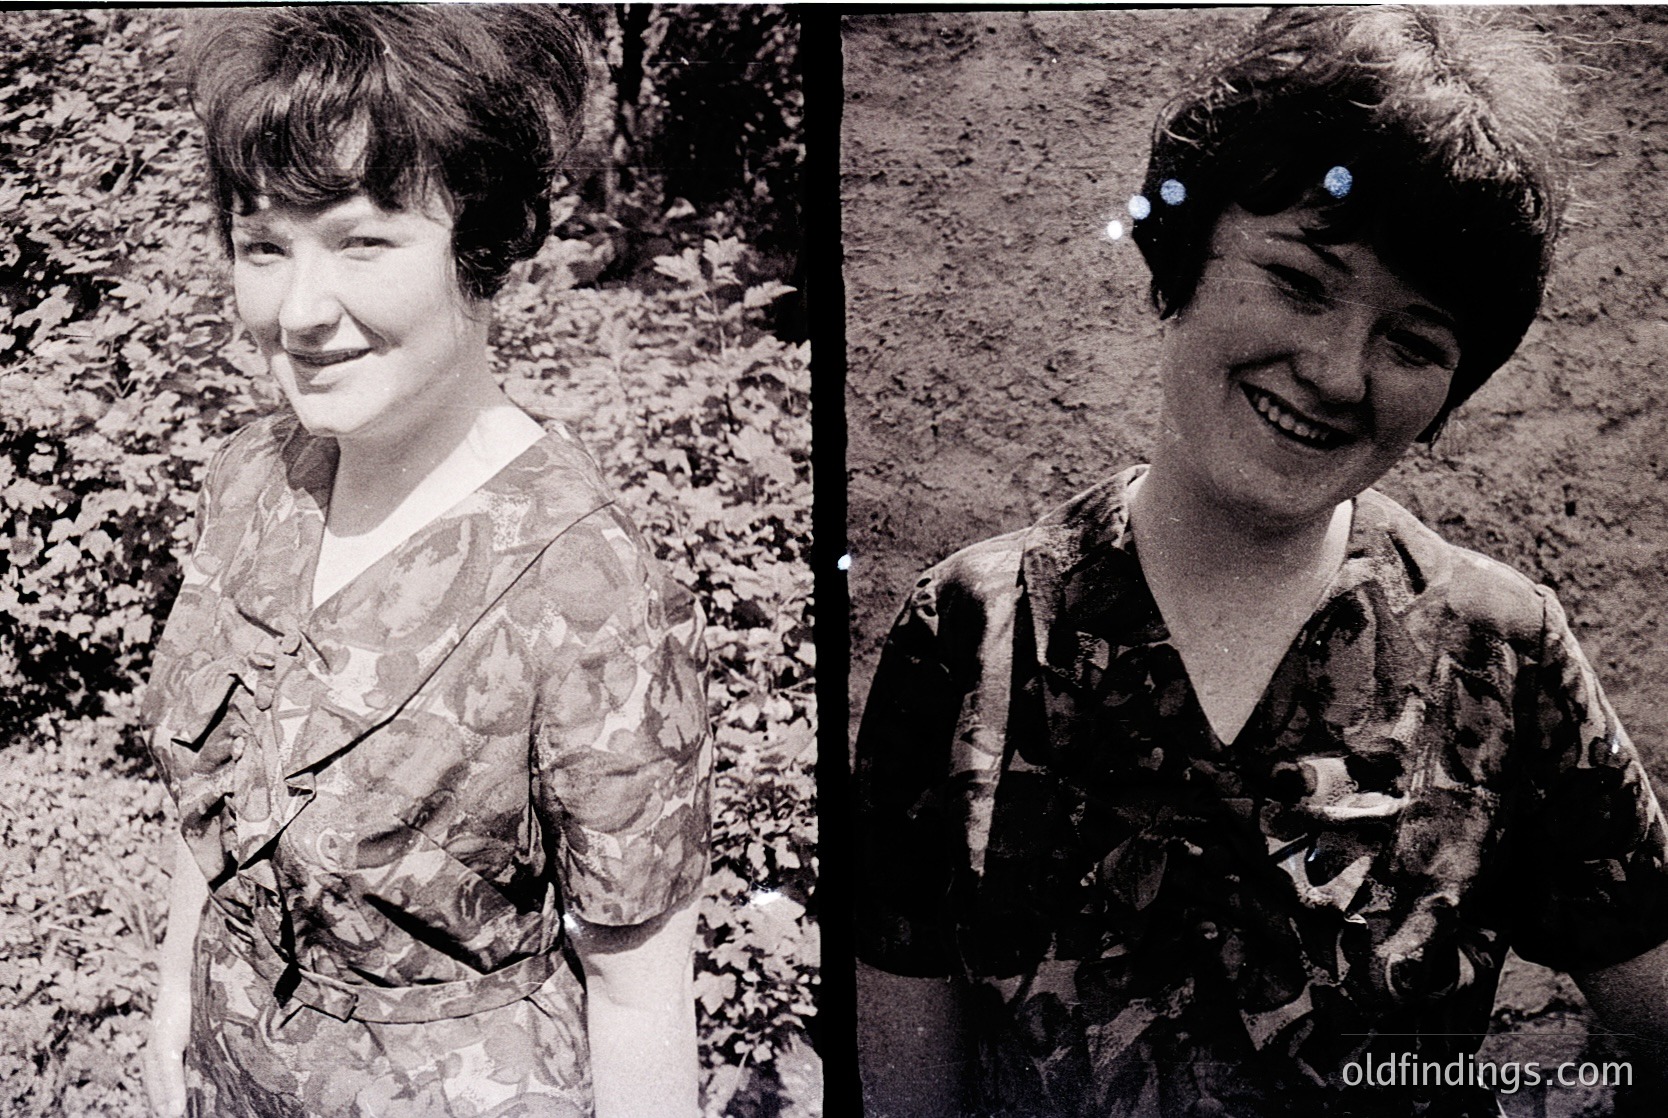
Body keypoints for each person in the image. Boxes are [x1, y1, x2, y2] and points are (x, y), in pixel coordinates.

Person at [853, 8, 1668, 1117]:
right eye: (1299, 279)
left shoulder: (1500, 650)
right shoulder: (969, 629)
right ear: (1184, 251)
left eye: (1415, 341)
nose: (1339, 371)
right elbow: (909, 1092)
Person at [138, 8, 710, 1117]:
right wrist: (173, 995)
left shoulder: (586, 587)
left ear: (480, 247)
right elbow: (215, 799)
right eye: (264, 244)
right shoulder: (257, 476)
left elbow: (639, 1002)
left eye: (362, 241)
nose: (300, 312)